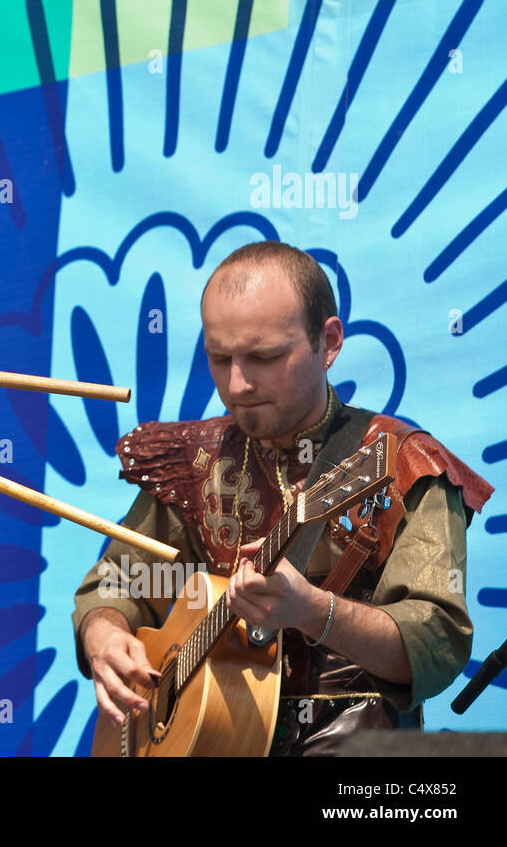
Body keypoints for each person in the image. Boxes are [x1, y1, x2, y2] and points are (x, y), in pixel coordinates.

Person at [72, 242, 493, 755]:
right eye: (219, 357)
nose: (238, 383)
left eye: (265, 357)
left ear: (329, 341)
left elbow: (437, 643)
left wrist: (315, 611)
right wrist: (104, 634)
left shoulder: (401, 464)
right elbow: (118, 581)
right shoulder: (193, 460)